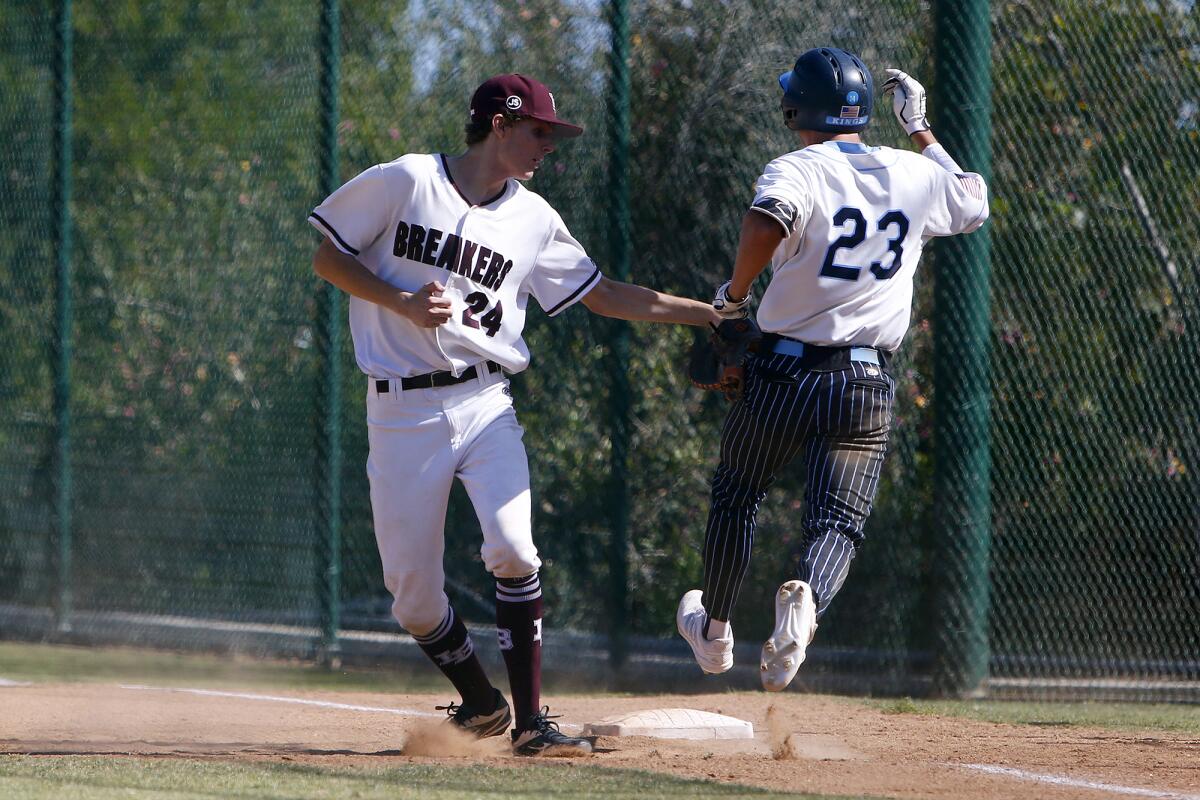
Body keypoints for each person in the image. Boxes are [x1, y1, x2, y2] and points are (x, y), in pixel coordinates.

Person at [308, 73, 719, 756]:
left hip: (484, 401)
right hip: (401, 410)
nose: (546, 148)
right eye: (538, 132)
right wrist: (402, 302)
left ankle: (531, 725)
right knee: (412, 598)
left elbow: (604, 293)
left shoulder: (535, 219)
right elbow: (328, 258)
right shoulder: (408, 182)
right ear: (498, 125)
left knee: (514, 547)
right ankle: (479, 701)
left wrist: (701, 313)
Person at [676, 48, 990, 691]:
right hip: (864, 383)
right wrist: (920, 130)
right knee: (837, 524)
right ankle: (807, 601)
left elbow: (768, 219)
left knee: (737, 497)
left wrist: (733, 299)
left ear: (797, 108)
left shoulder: (796, 166)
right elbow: (972, 204)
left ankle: (715, 632)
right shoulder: (913, 172)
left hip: (784, 374)